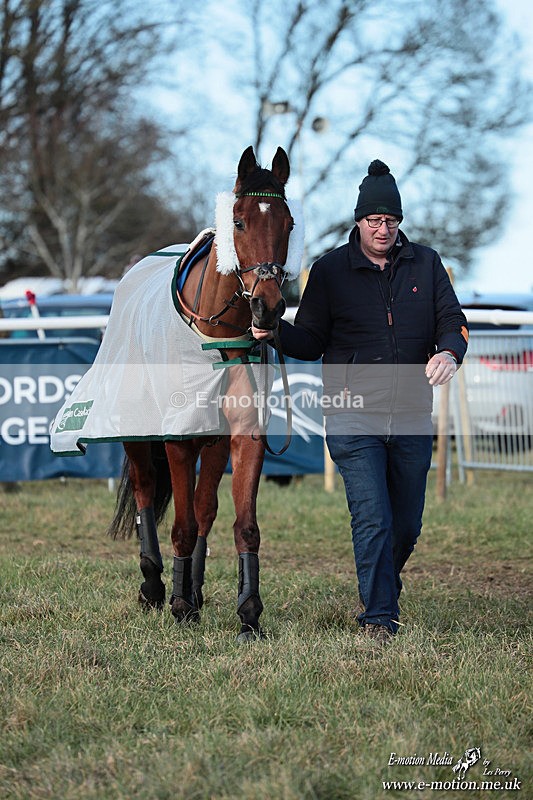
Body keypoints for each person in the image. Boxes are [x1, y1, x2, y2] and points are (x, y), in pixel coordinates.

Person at [252, 159, 469, 643]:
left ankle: (381, 585)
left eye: (390, 220)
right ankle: (379, 619)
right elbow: (310, 338)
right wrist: (274, 332)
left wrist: (449, 352)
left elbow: (452, 321)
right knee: (373, 518)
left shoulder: (427, 263)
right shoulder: (329, 271)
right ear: (359, 220)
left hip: (411, 413)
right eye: (374, 220)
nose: (382, 229)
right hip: (351, 414)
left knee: (406, 526)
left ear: (399, 222)